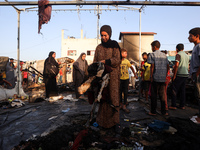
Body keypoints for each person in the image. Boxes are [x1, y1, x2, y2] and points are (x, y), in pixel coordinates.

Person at [93, 25, 121, 129]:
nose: (103, 37)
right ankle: (102, 122)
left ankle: (114, 122)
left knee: (113, 98)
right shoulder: (98, 47)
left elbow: (117, 60)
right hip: (101, 77)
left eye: (105, 35)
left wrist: (106, 62)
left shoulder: (114, 45)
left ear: (109, 34)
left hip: (113, 76)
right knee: (102, 98)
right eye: (102, 35)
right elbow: (95, 62)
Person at [147, 40, 169, 116]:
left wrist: (151, 76)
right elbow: (167, 66)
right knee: (162, 95)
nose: (151, 48)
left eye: (152, 47)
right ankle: (164, 112)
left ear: (154, 47)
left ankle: (153, 111)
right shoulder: (164, 55)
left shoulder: (152, 54)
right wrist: (165, 75)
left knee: (154, 95)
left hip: (155, 77)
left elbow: (152, 67)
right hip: (163, 78)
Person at [169, 44, 189, 110]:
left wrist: (174, 75)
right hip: (185, 74)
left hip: (179, 74)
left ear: (177, 49)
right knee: (182, 90)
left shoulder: (178, 55)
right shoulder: (186, 55)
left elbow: (177, 65)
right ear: (183, 48)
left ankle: (173, 105)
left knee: (174, 90)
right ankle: (182, 105)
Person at [120, 49, 137, 113]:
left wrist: (135, 74)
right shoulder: (118, 61)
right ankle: (120, 104)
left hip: (126, 79)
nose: (126, 55)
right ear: (121, 54)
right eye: (125, 53)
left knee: (125, 92)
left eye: (126, 53)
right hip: (120, 79)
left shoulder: (127, 61)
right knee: (119, 92)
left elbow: (131, 67)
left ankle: (124, 105)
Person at [188, 27, 200, 120]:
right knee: (197, 95)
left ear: (197, 36)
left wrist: (197, 74)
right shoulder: (195, 47)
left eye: (190, 36)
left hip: (198, 74)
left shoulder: (199, 46)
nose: (189, 38)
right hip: (195, 74)